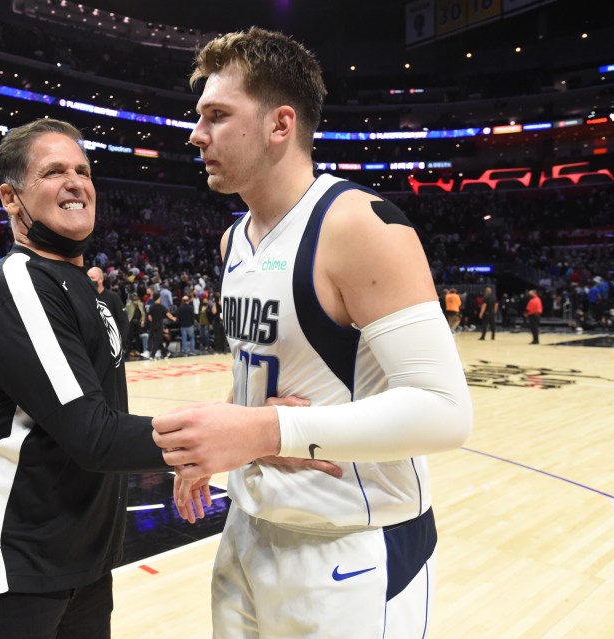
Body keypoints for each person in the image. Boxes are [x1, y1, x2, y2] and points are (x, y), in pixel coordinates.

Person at [151, 28, 472, 638]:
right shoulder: (232, 241)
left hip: (352, 544)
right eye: (200, 117)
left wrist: (268, 429)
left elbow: (445, 412)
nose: (197, 134)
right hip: (248, 528)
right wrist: (215, 446)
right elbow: (260, 372)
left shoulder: (359, 226)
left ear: (280, 125)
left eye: (217, 116)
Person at [0, 118, 168, 639]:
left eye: (83, 170)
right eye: (53, 171)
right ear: (11, 199)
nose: (76, 181)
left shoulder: (91, 291)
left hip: (81, 557)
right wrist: (236, 434)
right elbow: (95, 435)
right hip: (9, 563)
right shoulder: (16, 284)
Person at [87, 266, 129, 345]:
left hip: (111, 344)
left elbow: (123, 321)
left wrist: (120, 342)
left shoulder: (113, 297)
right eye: (88, 278)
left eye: (92, 278)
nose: (89, 281)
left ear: (100, 279)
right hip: (92, 345)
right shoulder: (85, 298)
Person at [147, 290, 176, 359]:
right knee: (158, 340)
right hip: (159, 325)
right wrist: (173, 318)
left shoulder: (152, 307)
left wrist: (153, 321)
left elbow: (149, 317)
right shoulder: (161, 307)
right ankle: (152, 355)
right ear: (159, 298)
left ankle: (165, 354)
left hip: (153, 325)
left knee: (158, 340)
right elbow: (168, 314)